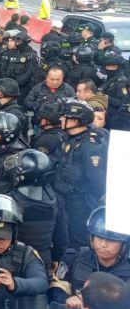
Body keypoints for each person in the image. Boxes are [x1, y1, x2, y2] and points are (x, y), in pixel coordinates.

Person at [50, 206, 130, 309]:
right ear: (91, 238)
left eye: (111, 240)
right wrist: (67, 300)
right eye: (99, 237)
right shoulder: (74, 259)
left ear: (124, 245)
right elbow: (56, 288)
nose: (103, 244)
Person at [53, 98, 107, 249]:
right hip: (65, 200)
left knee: (78, 241)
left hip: (80, 203)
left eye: (65, 116)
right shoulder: (69, 139)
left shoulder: (90, 145)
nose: (61, 118)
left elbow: (97, 180)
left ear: (76, 120)